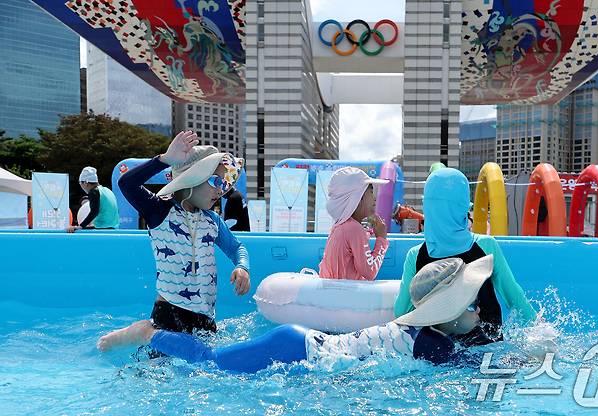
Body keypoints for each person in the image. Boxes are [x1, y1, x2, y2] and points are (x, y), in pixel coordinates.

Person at [98, 256, 493, 373]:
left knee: (215, 360)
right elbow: (474, 367)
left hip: (303, 343)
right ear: (443, 312)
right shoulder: (431, 344)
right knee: (210, 361)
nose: (478, 307)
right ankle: (148, 334)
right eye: (470, 301)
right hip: (295, 347)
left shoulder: (430, 336)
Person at [109, 130, 250, 340]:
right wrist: (164, 160)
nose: (221, 191)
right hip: (170, 311)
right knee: (159, 370)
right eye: (217, 182)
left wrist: (242, 267)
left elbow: (236, 247)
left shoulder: (212, 220)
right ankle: (138, 333)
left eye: (225, 185)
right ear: (192, 179)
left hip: (206, 316)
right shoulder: (160, 210)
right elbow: (126, 184)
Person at [394, 168, 537, 347]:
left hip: (441, 351)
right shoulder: (485, 245)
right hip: (488, 346)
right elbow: (514, 298)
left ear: (428, 208)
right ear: (463, 208)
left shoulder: (415, 255)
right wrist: (537, 332)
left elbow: (401, 311)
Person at [318, 167, 390, 280]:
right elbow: (370, 272)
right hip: (345, 296)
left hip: (333, 294)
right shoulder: (354, 229)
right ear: (358, 197)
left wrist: (369, 232)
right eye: (371, 193)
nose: (375, 199)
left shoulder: (341, 225)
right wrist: (382, 239)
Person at [67, 166, 120, 232]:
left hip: (102, 229)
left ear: (86, 183)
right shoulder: (107, 190)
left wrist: (81, 226)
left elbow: (94, 212)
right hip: (114, 228)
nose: (81, 185)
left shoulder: (94, 191)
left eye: (80, 183)